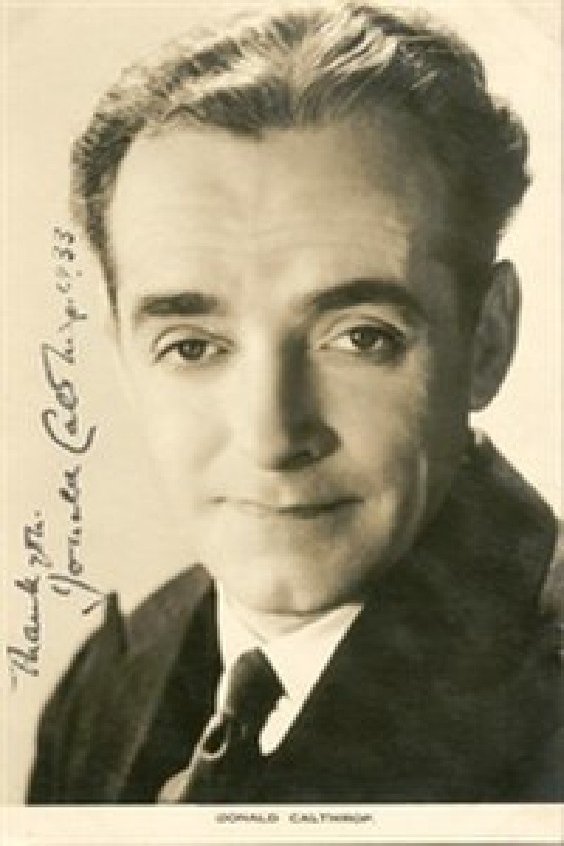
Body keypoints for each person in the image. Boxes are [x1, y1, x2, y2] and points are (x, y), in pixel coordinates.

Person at [27, 1, 562, 803]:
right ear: (124, 358)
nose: (272, 436)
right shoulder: (108, 680)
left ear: (486, 339)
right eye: (191, 347)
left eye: (361, 337)